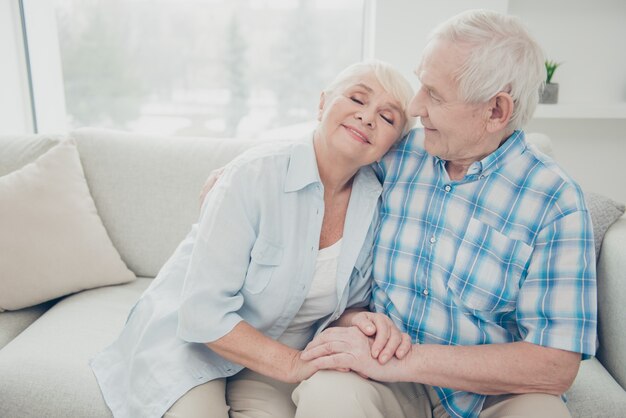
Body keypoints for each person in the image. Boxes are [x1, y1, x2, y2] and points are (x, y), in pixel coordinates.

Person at [295, 9, 597, 418]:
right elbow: (329, 143)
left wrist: (410, 359)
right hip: (383, 380)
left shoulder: (555, 202)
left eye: (434, 95)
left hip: (491, 396)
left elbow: (556, 365)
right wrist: (256, 169)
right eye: (421, 85)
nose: (416, 106)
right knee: (327, 393)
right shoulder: (398, 154)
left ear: (496, 111)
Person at [89, 60, 416, 418]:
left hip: (271, 358)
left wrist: (362, 323)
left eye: (388, 118)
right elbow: (202, 314)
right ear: (322, 104)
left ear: (392, 146)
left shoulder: (376, 204)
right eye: (356, 98)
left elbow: (348, 306)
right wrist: (293, 364)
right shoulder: (252, 176)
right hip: (192, 342)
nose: (368, 117)